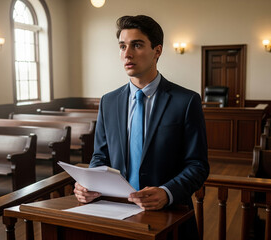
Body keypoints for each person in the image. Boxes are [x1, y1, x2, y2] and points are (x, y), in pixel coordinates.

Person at [74, 15, 209, 239]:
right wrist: (89, 184)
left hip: (169, 216)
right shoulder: (109, 101)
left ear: (157, 51)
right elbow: (100, 156)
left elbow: (198, 165)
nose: (127, 54)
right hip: (115, 214)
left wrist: (167, 193)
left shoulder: (186, 101)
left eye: (137, 45)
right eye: (122, 46)